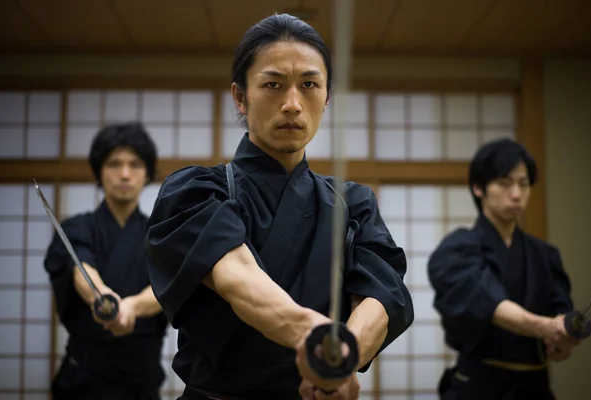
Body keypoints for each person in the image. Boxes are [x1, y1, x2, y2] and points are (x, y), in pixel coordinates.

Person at [144, 13, 414, 400]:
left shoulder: (353, 203)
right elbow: (236, 277)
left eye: (309, 85)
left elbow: (382, 294)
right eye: (273, 84)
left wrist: (341, 359)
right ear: (240, 96)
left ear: (327, 96)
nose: (292, 104)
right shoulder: (196, 191)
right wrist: (320, 343)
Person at [427, 138, 580, 400]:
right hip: (478, 387)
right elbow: (487, 303)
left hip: (536, 388)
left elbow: (561, 314)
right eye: (505, 183)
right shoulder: (456, 249)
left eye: (523, 184)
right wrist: (545, 327)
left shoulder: (545, 255)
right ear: (478, 188)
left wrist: (564, 337)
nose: (517, 194)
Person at [44, 122, 169, 400]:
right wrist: (102, 299)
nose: (124, 174)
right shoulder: (77, 228)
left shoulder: (161, 236)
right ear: (99, 170)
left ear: (147, 172)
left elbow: (169, 286)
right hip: (85, 378)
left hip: (141, 379)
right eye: (114, 164)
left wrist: (133, 307)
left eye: (135, 164)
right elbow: (80, 269)